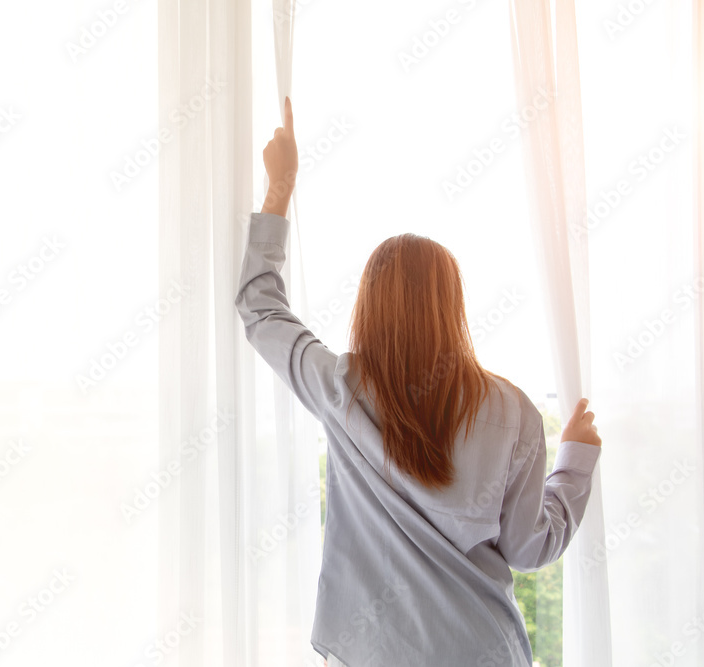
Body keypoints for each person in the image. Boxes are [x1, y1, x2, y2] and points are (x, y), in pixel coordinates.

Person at [235, 96, 602, 667]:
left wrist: (279, 189)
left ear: (369, 307)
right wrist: (574, 461)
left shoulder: (340, 389)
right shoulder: (514, 412)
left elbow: (261, 309)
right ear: (452, 307)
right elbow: (529, 548)